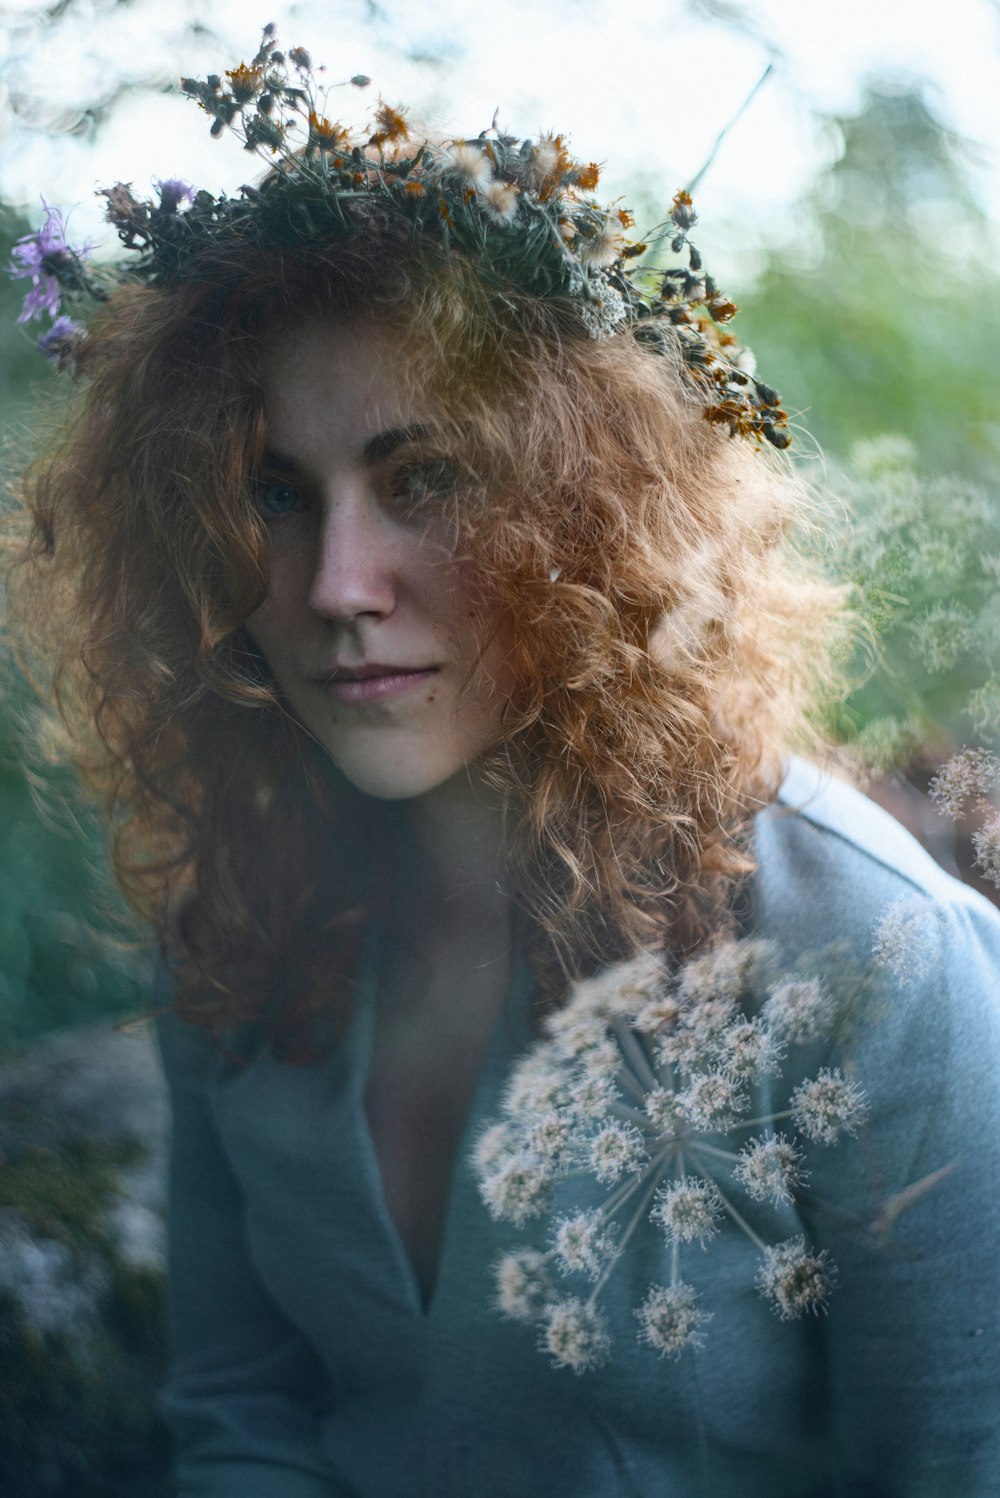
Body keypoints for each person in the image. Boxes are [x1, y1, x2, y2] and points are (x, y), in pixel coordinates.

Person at [5, 27, 999, 1498]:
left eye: (428, 480)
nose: (339, 581)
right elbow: (241, 1410)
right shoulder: (240, 914)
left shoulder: (871, 955)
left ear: (589, 517)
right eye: (276, 493)